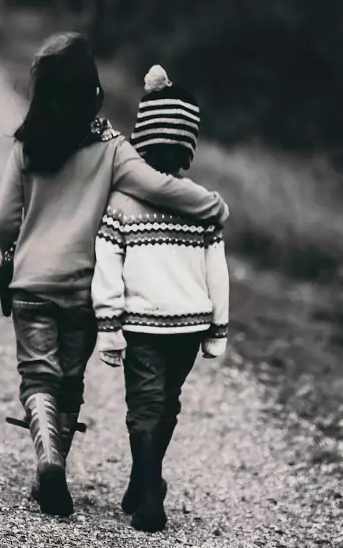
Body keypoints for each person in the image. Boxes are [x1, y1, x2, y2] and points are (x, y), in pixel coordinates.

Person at [0, 34, 230, 518]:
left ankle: (49, 458)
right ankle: (57, 460)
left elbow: (3, 219)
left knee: (38, 375)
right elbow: (160, 187)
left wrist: (14, 254)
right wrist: (214, 206)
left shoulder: (27, 147)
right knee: (70, 381)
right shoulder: (112, 149)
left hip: (32, 285)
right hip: (82, 289)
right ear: (92, 91)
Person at [91, 65, 229, 532]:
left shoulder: (122, 202)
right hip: (189, 326)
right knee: (167, 403)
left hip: (142, 325)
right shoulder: (202, 204)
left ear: (140, 141)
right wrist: (218, 329)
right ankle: (144, 481)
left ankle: (148, 491)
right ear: (188, 147)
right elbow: (218, 272)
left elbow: (106, 265)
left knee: (146, 406)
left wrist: (108, 327)